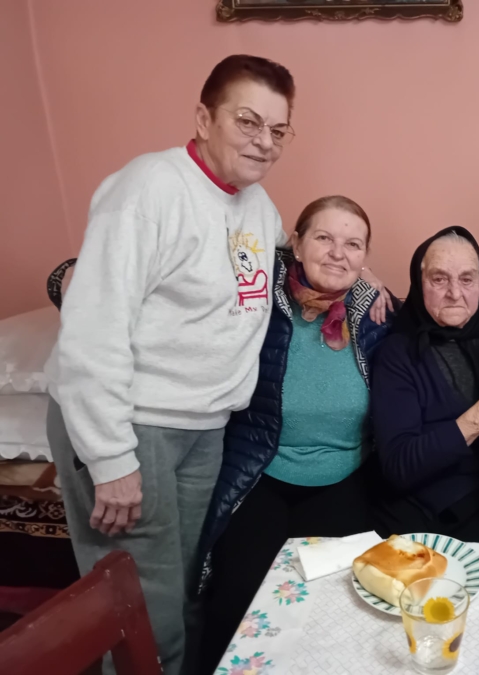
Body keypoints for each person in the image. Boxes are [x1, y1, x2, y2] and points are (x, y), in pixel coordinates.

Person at [44, 54, 298, 675]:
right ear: (204, 119)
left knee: (184, 587)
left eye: (278, 130)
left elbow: (288, 261)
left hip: (204, 426)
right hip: (135, 422)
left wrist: (361, 277)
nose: (264, 142)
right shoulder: (148, 190)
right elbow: (93, 329)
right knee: (143, 610)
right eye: (248, 122)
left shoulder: (257, 205)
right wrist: (110, 458)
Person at [198, 209, 479, 669]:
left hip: (345, 478)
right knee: (240, 594)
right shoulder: (259, 300)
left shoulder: (375, 314)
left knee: (338, 603)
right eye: (324, 238)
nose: (337, 253)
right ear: (296, 244)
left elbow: (448, 306)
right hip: (264, 472)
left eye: (353, 245)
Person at [370, 227, 479, 542]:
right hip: (426, 519)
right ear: (419, 283)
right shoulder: (398, 353)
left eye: (467, 279)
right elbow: (399, 466)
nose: (454, 293)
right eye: (439, 279)